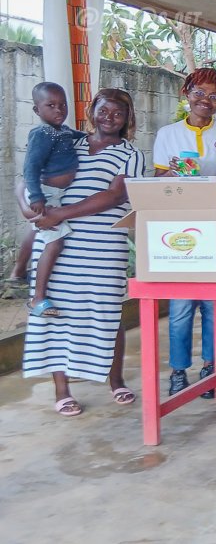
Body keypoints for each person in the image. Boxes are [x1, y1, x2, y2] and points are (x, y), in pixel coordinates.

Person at [21, 88, 145, 416]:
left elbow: (116, 196)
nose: (109, 118)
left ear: (127, 118)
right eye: (103, 111)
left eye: (118, 113)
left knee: (107, 313)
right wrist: (30, 209)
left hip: (103, 245)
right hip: (57, 246)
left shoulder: (131, 154)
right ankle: (62, 390)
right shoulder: (66, 142)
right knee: (56, 314)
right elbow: (29, 174)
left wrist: (60, 213)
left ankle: (116, 380)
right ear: (92, 112)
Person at [152, 67, 216, 398]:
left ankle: (210, 368)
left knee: (213, 303)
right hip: (180, 225)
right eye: (199, 93)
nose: (206, 101)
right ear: (186, 93)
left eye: (214, 96)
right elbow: (159, 181)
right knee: (180, 307)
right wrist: (173, 173)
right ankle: (178, 371)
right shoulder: (168, 134)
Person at [19, 82, 83, 317]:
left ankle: (21, 275)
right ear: (37, 110)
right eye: (51, 105)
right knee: (55, 243)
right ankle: (37, 298)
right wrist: (36, 197)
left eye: (62, 105)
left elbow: (82, 136)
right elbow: (30, 168)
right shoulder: (41, 134)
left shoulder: (62, 130)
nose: (59, 110)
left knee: (47, 238)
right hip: (43, 194)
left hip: (52, 194)